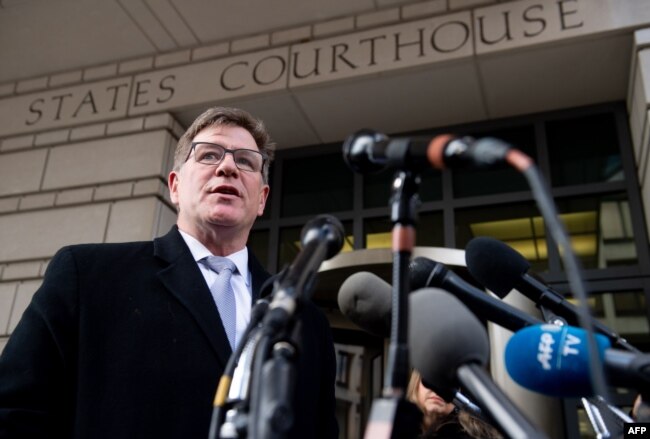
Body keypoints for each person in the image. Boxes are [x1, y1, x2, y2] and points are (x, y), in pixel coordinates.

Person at [0, 106, 339, 438]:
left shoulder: (306, 319)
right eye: (209, 155)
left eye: (246, 161)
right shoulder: (88, 277)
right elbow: (15, 413)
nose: (227, 167)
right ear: (175, 186)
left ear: (262, 199)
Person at [407, 370, 501, 439]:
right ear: (416, 384)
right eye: (430, 379)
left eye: (449, 383)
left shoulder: (470, 434)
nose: (437, 389)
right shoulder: (397, 427)